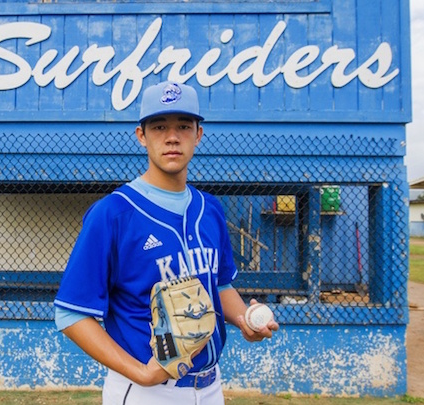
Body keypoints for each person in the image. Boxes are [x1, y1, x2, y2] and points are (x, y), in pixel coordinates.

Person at [54, 81, 279, 404]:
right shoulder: (113, 213)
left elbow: (220, 285)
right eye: (159, 127)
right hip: (149, 391)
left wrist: (245, 319)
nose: (172, 137)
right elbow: (70, 314)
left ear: (198, 134)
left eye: (183, 127)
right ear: (141, 136)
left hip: (210, 386)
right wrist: (140, 373)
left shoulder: (210, 208)